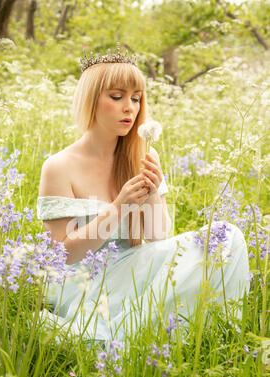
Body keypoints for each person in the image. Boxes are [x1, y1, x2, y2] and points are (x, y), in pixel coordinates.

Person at [37, 43, 250, 344]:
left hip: (135, 268)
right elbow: (62, 255)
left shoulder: (142, 156)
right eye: (117, 97)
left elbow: (160, 241)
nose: (130, 108)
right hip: (84, 281)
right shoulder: (59, 166)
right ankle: (139, 333)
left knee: (228, 237)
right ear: (90, 101)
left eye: (136, 99)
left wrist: (151, 195)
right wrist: (118, 207)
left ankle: (215, 336)